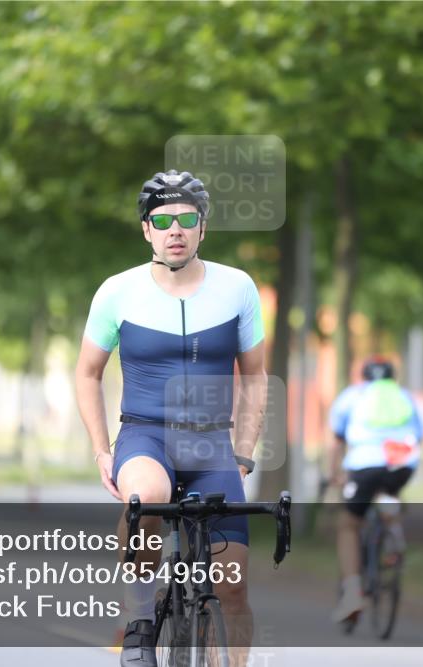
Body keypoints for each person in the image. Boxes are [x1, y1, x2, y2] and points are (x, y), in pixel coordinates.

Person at [75, 169, 267, 667]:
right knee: (148, 499)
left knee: (234, 590)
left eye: (186, 218)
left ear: (203, 227)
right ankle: (140, 620)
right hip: (145, 435)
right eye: (163, 219)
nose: (175, 229)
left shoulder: (238, 288)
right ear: (147, 229)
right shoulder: (117, 291)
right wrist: (101, 448)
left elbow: (256, 377)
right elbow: (88, 374)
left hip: (211, 445)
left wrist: (243, 452)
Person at [325, 355, 422, 623]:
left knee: (348, 524)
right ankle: (393, 531)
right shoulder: (404, 396)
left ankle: (353, 593)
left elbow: (335, 440)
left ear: (364, 376)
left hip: (365, 463)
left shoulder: (353, 396)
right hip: (403, 463)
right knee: (387, 492)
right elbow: (420, 434)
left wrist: (333, 474)